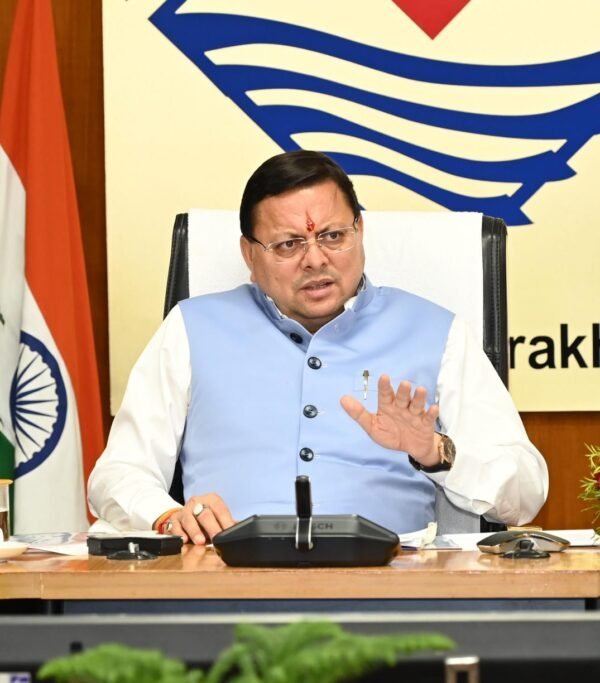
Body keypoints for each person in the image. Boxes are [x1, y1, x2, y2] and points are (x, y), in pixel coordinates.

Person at [88, 150, 548, 543]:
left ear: (359, 231)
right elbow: (117, 473)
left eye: (332, 236)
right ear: (250, 255)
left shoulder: (438, 332)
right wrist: (168, 517)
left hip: (391, 590)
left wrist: (435, 451)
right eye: (289, 244)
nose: (315, 259)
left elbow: (526, 492)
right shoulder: (191, 328)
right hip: (223, 583)